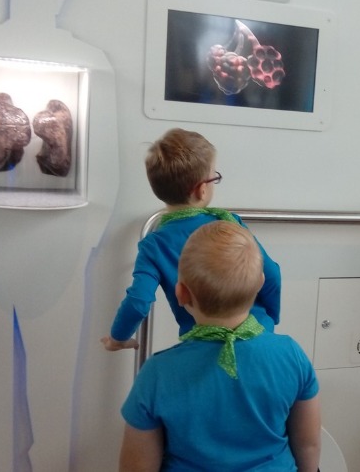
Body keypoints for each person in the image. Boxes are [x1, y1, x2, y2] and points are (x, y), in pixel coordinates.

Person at [118, 221, 320, 471]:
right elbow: (309, 445)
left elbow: (136, 466)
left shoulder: (157, 373)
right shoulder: (290, 354)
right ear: (260, 283)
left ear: (181, 293)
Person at [101, 128, 281, 351]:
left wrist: (117, 339)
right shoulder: (229, 223)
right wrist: (270, 318)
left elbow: (138, 302)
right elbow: (271, 274)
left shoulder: (154, 245)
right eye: (215, 177)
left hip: (202, 348)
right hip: (258, 334)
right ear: (202, 190)